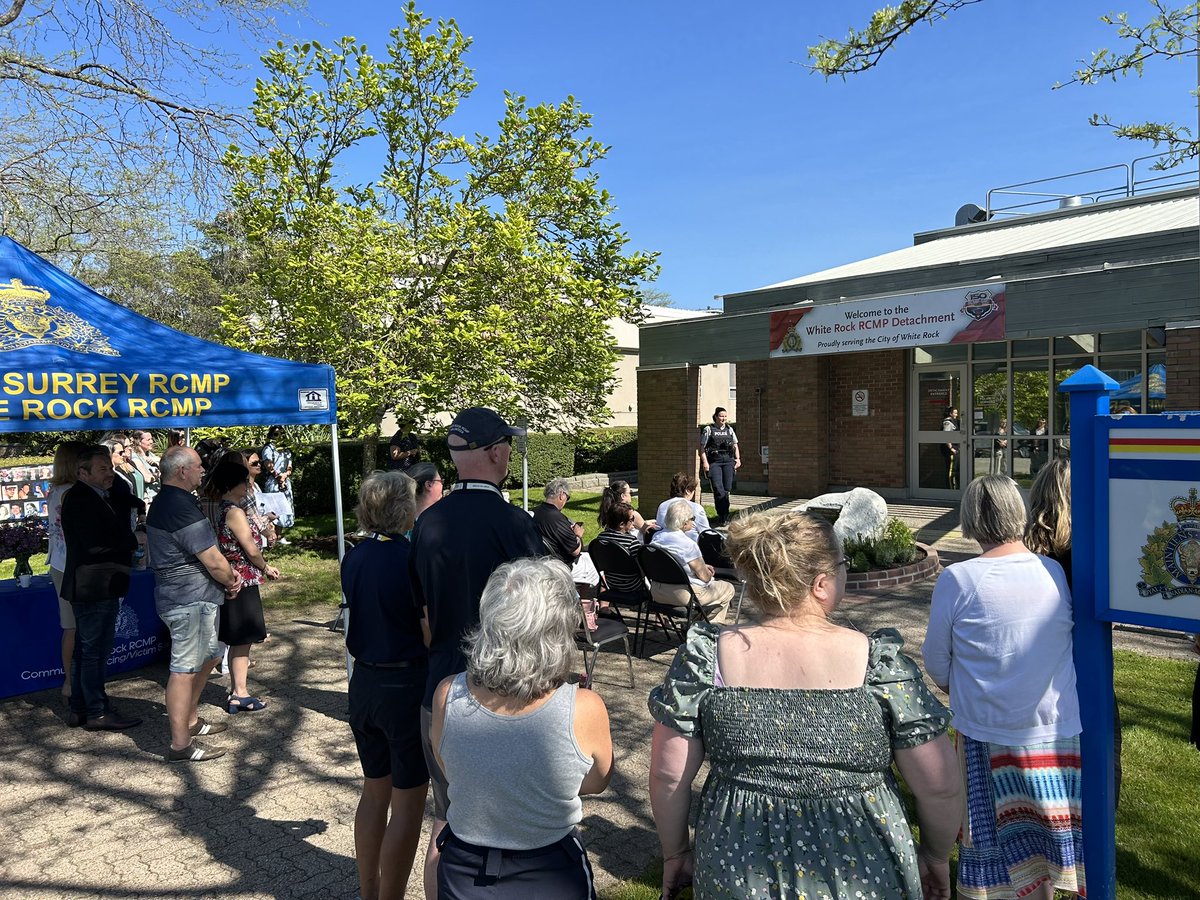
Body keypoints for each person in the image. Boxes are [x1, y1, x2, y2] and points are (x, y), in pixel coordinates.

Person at [649, 511, 961, 899]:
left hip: (737, 867)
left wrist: (676, 852)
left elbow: (668, 776)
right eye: (843, 565)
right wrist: (934, 856)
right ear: (821, 584)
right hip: (864, 868)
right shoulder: (880, 665)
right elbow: (939, 786)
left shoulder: (705, 660)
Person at [923, 475, 1083, 899]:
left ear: (970, 518)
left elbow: (936, 661)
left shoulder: (957, 579)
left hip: (986, 731)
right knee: (1043, 851)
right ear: (1018, 511)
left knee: (989, 853)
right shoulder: (1052, 570)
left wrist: (961, 688)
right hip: (1055, 731)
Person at [408, 406, 545, 898]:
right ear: (495, 452)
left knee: (447, 818)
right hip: (508, 692)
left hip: (442, 687)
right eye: (506, 446)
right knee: (517, 821)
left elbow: (422, 615)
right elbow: (542, 617)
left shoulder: (426, 523)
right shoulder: (514, 523)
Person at [430, 557, 613, 898]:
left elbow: (450, 769)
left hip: (465, 870)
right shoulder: (585, 707)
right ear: (560, 628)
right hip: (551, 870)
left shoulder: (447, 694)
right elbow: (596, 781)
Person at [343, 470, 428, 900]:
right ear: (403, 508)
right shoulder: (411, 558)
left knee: (374, 791)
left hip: (364, 681)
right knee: (408, 802)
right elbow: (427, 629)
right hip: (404, 684)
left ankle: (369, 890)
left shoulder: (354, 556)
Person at [1025, 458, 1122, 803]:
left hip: (1038, 679)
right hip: (1088, 674)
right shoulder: (1096, 551)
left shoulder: (1025, 556)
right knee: (1101, 769)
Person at [147, 446, 243, 762]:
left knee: (210, 656)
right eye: (199, 465)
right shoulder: (176, 505)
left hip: (194, 597)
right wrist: (230, 580)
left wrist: (225, 580)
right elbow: (212, 559)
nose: (204, 470)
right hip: (187, 599)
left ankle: (190, 720)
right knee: (184, 669)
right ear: (182, 471)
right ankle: (180, 745)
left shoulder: (175, 500)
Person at [60, 445, 143, 732]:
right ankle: (96, 711)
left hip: (99, 584)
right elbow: (94, 544)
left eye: (111, 467)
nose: (110, 473)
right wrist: (133, 540)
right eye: (103, 469)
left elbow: (128, 498)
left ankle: (81, 708)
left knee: (86, 651)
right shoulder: (80, 498)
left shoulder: (100, 494)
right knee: (93, 652)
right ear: (83, 473)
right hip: (93, 586)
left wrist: (113, 480)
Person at [202, 459, 279, 713]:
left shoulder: (222, 508)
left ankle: (238, 691)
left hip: (234, 577)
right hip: (242, 578)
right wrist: (266, 567)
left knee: (239, 640)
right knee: (243, 639)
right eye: (244, 481)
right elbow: (251, 548)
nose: (248, 485)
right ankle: (240, 692)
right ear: (233, 484)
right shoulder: (234, 512)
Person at [46, 440, 87, 706]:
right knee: (73, 627)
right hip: (71, 565)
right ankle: (71, 683)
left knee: (72, 627)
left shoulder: (55, 490)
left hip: (61, 563)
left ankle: (71, 683)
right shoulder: (71, 492)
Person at [648, 499, 734, 622]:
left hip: (657, 592)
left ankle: (696, 623)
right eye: (692, 518)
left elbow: (671, 563)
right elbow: (704, 577)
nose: (693, 522)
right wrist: (708, 572)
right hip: (683, 595)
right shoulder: (688, 544)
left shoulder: (656, 538)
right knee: (728, 588)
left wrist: (702, 566)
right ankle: (706, 628)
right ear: (684, 523)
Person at [533, 477, 600, 592]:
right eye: (567, 498)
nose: (565, 501)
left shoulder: (534, 512)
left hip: (538, 560)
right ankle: (579, 599)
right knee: (592, 565)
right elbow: (575, 551)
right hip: (559, 565)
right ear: (561, 495)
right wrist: (578, 535)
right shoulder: (557, 519)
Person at [591, 501, 647, 594]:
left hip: (611, 583)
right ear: (621, 524)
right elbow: (641, 569)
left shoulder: (601, 538)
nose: (633, 521)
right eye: (631, 519)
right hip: (632, 586)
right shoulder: (631, 541)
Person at [698, 407, 740, 526]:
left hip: (728, 461)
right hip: (714, 462)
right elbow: (702, 448)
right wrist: (705, 463)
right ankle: (722, 515)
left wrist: (737, 459)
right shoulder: (708, 429)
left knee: (726, 489)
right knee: (718, 489)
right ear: (716, 416)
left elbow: (735, 445)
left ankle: (725, 513)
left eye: (725, 416)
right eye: (721, 416)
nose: (723, 418)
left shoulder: (729, 429)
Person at [260, 425, 295, 543]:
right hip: (273, 482)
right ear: (271, 435)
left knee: (284, 507)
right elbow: (268, 466)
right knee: (274, 508)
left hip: (285, 481)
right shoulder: (268, 449)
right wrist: (279, 477)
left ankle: (279, 536)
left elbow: (289, 467)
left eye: (282, 434)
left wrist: (285, 476)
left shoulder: (286, 450)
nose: (279, 436)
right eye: (276, 434)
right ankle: (271, 536)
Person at [654, 472, 710, 540]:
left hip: (664, 543)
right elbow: (706, 533)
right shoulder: (696, 508)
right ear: (688, 491)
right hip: (689, 544)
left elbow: (659, 528)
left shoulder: (662, 506)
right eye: (693, 490)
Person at [406, 461, 444, 526]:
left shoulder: (400, 522)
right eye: (441, 481)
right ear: (429, 485)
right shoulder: (439, 524)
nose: (442, 485)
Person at [942, 407, 960, 489]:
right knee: (951, 471)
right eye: (955, 413)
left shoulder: (954, 421)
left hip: (955, 449)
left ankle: (956, 487)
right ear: (950, 413)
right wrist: (951, 448)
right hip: (951, 450)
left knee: (956, 469)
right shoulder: (947, 422)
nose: (957, 415)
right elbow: (946, 436)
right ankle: (950, 489)